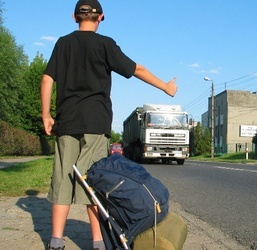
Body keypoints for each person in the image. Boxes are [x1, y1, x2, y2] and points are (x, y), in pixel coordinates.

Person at [40, 0, 177, 249]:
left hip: (67, 121)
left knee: (62, 179)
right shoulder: (105, 45)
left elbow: (47, 78)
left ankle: (56, 241)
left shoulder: (63, 43)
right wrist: (165, 87)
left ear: (74, 17)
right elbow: (136, 69)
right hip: (95, 122)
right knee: (93, 181)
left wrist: (46, 115)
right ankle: (98, 243)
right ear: (101, 17)